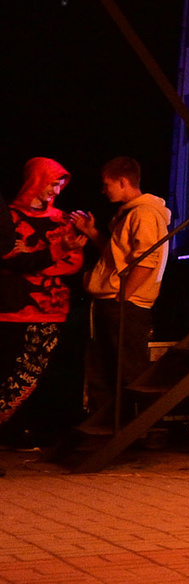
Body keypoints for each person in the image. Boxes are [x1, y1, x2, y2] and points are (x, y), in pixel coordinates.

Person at [3, 159, 93, 442]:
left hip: (50, 308)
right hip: (12, 308)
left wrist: (35, 261)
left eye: (60, 183)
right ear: (36, 180)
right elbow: (9, 260)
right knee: (8, 371)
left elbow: (74, 262)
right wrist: (42, 257)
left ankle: (20, 429)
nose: (56, 189)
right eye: (52, 182)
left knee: (35, 374)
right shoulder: (9, 217)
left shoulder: (61, 219)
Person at [82, 157, 170, 428]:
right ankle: (106, 427)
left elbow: (147, 260)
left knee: (128, 371)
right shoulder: (131, 213)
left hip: (125, 304)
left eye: (107, 184)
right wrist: (92, 233)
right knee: (104, 369)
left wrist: (123, 296)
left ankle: (141, 431)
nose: (104, 190)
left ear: (122, 182)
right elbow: (118, 258)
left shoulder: (143, 213)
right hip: (113, 301)